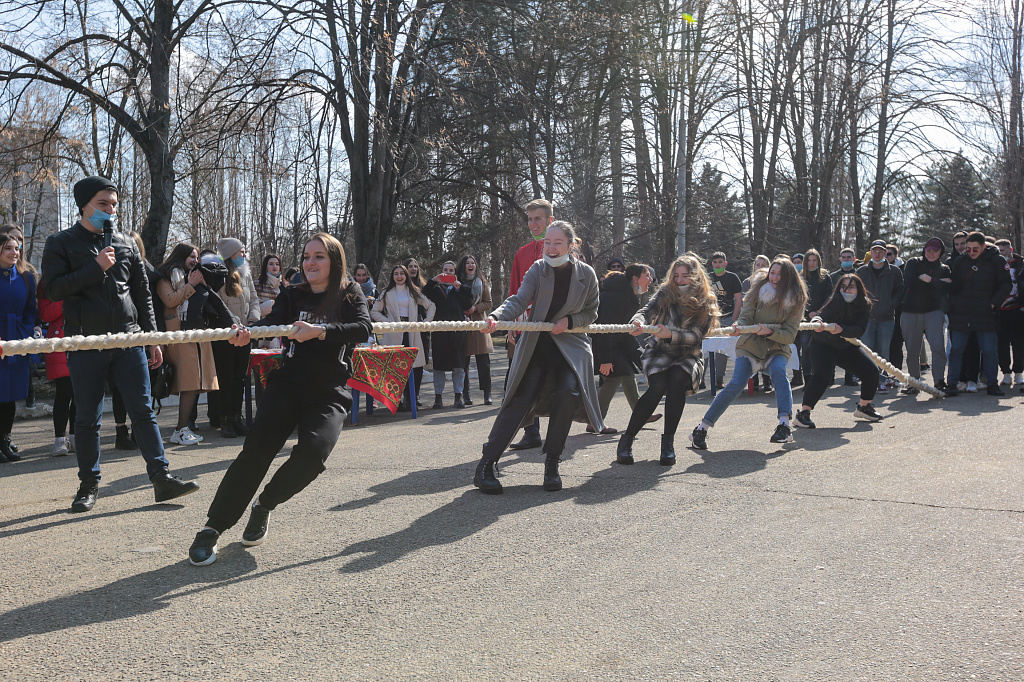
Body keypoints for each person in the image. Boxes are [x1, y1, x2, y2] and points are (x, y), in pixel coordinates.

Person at [187, 233, 372, 566]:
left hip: (330, 390)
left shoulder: (349, 293)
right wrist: (249, 331)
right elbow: (272, 322)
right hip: (288, 384)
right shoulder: (292, 294)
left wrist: (322, 331)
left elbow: (363, 327)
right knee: (255, 454)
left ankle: (264, 505)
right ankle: (212, 529)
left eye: (319, 257)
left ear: (334, 261)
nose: (310, 263)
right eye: (306, 257)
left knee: (313, 455)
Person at [40, 175, 198, 511]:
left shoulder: (126, 243)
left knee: (143, 412)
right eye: (102, 204)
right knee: (87, 418)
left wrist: (152, 339)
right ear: (83, 205)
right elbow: (52, 290)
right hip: (85, 344)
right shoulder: (61, 242)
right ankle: (88, 485)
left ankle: (161, 478)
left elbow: (142, 294)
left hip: (129, 343)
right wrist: (95, 268)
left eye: (114, 205)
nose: (110, 210)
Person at [473, 221, 603, 494]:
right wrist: (496, 317)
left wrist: (570, 320)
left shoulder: (587, 275)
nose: (551, 248)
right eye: (547, 242)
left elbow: (591, 313)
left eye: (557, 243)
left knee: (567, 395)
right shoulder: (537, 269)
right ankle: (486, 464)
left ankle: (552, 463)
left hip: (570, 348)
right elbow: (519, 300)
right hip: (537, 348)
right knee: (520, 400)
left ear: (571, 245)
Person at [690, 256, 808, 449]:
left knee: (780, 373)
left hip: (776, 347)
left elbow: (789, 335)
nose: (775, 277)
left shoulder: (796, 299)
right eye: (773, 273)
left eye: (780, 274)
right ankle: (702, 428)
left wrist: (770, 331)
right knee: (737, 383)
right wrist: (739, 327)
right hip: (750, 345)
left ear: (789, 277)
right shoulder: (757, 291)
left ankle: (784, 426)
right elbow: (745, 317)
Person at [616, 254, 718, 465]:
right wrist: (637, 321)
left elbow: (698, 336)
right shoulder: (665, 292)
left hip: (688, 353)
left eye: (685, 276)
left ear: (696, 278)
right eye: (676, 275)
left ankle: (668, 444)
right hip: (660, 350)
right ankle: (626, 441)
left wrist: (671, 334)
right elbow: (647, 310)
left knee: (677, 380)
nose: (680, 280)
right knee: (657, 386)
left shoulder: (706, 300)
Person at [157, 243, 234, 445]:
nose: (196, 261)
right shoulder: (166, 277)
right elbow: (170, 300)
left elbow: (213, 298)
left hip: (196, 335)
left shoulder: (196, 276)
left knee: (192, 385)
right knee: (188, 384)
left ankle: (183, 429)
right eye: (192, 256)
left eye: (197, 257)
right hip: (178, 337)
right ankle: (180, 429)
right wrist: (190, 285)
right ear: (180, 256)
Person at [794, 275, 884, 428]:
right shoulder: (835, 300)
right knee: (823, 376)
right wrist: (817, 321)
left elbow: (859, 330)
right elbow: (821, 315)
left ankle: (864, 407)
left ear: (859, 289)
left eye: (851, 287)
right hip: (822, 344)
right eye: (844, 286)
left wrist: (843, 330)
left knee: (871, 371)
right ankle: (803, 413)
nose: (847, 290)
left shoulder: (864, 304)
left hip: (845, 345)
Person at [505, 199, 554, 450]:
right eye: (530, 219)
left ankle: (557, 433)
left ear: (550, 221)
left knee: (554, 379)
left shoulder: (561, 250)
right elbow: (515, 292)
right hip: (526, 323)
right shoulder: (521, 253)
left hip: (554, 324)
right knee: (523, 378)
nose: (533, 223)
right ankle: (531, 431)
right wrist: (514, 324)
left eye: (538, 219)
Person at [945, 232, 1012, 396]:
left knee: (989, 351)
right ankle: (952, 384)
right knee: (956, 351)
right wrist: (952, 300)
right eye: (968, 249)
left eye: (975, 249)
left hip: (986, 313)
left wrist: (994, 302)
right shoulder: (960, 261)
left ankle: (992, 384)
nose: (971, 252)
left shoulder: (997, 261)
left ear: (984, 246)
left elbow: (1006, 284)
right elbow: (953, 285)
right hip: (961, 314)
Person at [592, 263, 656, 428]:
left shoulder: (627, 295)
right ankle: (594, 421)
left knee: (627, 374)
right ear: (635, 278)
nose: (651, 279)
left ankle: (641, 414)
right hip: (604, 345)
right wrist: (604, 360)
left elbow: (624, 332)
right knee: (613, 379)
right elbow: (604, 328)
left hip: (615, 345)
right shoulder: (616, 297)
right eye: (647, 275)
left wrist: (640, 356)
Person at [370, 263, 436, 411]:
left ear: (406, 275)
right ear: (392, 277)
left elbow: (431, 305)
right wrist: (388, 323)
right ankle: (396, 400)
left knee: (415, 366)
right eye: (396, 274)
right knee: (395, 367)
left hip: (412, 331)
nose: (399, 276)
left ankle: (411, 399)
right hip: (394, 333)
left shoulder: (414, 291)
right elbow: (375, 311)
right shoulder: (386, 292)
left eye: (402, 273)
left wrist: (425, 323)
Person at [213, 237, 260, 437]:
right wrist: (232, 325)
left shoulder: (247, 275)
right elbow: (217, 305)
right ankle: (225, 420)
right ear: (231, 254)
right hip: (227, 336)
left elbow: (255, 299)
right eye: (240, 252)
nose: (244, 255)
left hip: (246, 333)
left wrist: (253, 320)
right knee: (226, 377)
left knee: (240, 377)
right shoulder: (219, 275)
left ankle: (236, 417)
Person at [900, 238, 952, 393]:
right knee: (912, 350)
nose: (931, 253)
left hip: (934, 312)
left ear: (940, 252)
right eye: (928, 250)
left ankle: (939, 381)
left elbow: (948, 288)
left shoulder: (944, 268)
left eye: (935, 251)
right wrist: (938, 282)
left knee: (938, 348)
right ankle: (914, 383)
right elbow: (910, 283)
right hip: (910, 311)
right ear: (924, 250)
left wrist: (928, 279)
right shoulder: (914, 262)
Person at [0, 234, 35, 462]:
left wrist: (28, 332)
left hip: (17, 340)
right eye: (8, 249)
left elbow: (32, 310)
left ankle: (5, 439)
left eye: (17, 248)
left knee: (11, 394)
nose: (15, 253)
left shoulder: (26, 278)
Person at [422, 261, 473, 408]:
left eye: (451, 271)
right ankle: (438, 397)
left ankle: (458, 397)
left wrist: (459, 289)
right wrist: (434, 281)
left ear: (455, 273)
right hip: (440, 332)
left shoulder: (462, 289)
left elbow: (468, 305)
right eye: (445, 270)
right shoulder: (435, 289)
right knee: (438, 367)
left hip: (458, 332)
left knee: (459, 366)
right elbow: (423, 294)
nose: (448, 273)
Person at [856, 240, 904, 393]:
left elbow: (900, 291)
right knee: (867, 352)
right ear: (871, 252)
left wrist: (891, 304)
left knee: (884, 352)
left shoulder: (895, 271)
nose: (877, 254)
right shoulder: (861, 271)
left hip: (887, 318)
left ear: (885, 253)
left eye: (881, 251)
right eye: (874, 251)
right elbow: (855, 291)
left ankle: (882, 381)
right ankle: (869, 382)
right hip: (867, 319)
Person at [38, 279, 75, 456]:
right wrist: (66, 296)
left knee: (80, 393)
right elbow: (45, 314)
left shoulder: (83, 274)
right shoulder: (48, 282)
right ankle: (60, 438)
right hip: (58, 340)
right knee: (64, 392)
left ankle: (76, 437)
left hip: (80, 337)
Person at [456, 255, 493, 405]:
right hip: (462, 324)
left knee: (484, 363)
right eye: (467, 263)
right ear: (463, 266)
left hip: (479, 324)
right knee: (463, 363)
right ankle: (466, 394)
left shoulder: (482, 282)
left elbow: (488, 303)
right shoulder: (457, 282)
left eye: (473, 263)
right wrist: (462, 310)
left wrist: (475, 308)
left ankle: (487, 394)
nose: (470, 265)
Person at [707, 251, 743, 390]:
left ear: (725, 263)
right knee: (706, 348)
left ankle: (719, 379)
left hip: (727, 318)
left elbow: (738, 299)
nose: (718, 265)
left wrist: (734, 318)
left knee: (721, 351)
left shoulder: (733, 278)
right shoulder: (708, 278)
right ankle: (700, 380)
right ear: (712, 264)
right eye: (715, 262)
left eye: (720, 262)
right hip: (711, 319)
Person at [799, 248, 832, 386]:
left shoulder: (825, 277)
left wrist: (818, 312)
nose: (812, 263)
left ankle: (822, 377)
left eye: (814, 260)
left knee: (821, 348)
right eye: (809, 260)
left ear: (819, 261)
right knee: (806, 347)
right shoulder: (800, 277)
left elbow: (829, 297)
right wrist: (808, 313)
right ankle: (807, 378)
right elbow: (797, 298)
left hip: (821, 318)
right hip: (804, 319)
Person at [995, 239, 1024, 386]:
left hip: (1017, 310)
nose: (1002, 254)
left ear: (1010, 249)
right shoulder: (995, 266)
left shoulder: (1021, 265)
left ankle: (1018, 372)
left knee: (1018, 343)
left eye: (1003, 251)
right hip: (1000, 311)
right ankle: (1006, 373)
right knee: (1002, 343)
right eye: (998, 251)